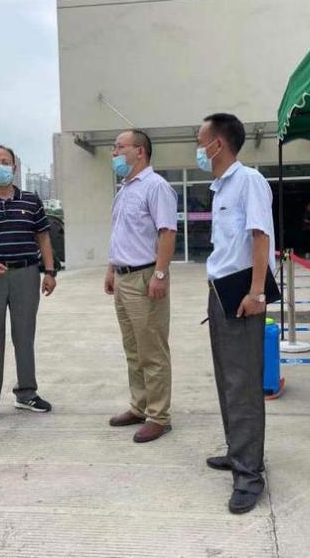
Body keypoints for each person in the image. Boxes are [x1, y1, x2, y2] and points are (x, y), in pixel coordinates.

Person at [197, 113, 275, 515]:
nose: (198, 150)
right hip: (221, 291)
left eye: (201, 142)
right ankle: (238, 450)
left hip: (244, 293)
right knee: (228, 380)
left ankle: (249, 475)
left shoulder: (249, 181)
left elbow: (260, 236)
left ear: (218, 144)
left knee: (242, 385)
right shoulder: (221, 187)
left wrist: (257, 292)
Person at [0, 144, 57, 427]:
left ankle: (26, 393)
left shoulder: (31, 201)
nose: (1, 166)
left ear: (14, 167)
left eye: (6, 161)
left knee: (24, 335)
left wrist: (49, 271)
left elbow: (43, 237)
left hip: (26, 273)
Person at [105, 129, 178, 443]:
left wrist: (160, 274)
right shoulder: (124, 189)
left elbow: (167, 232)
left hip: (145, 276)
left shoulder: (156, 186)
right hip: (123, 277)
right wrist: (111, 269)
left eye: (119, 147)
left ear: (140, 151)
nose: (114, 153)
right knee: (133, 348)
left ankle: (159, 416)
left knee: (152, 350)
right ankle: (139, 405)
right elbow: (121, 234)